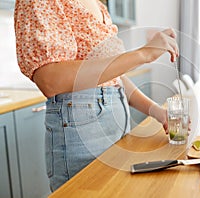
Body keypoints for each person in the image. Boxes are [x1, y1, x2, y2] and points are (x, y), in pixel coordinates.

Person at [14, 0, 179, 192]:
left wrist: (157, 111)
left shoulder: (99, 6)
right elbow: (50, 80)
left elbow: (113, 78)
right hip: (82, 133)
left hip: (117, 128)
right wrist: (143, 54)